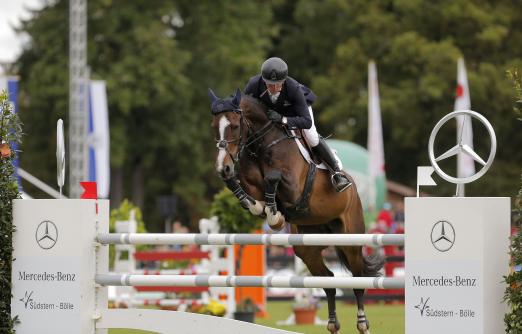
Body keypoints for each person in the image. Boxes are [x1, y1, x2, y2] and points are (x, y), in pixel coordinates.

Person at [243, 57, 351, 192]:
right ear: (263, 80)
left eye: (278, 84)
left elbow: (306, 121)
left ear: (284, 81)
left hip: (296, 111)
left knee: (311, 137)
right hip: (271, 113)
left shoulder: (293, 88)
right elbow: (244, 108)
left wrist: (283, 120)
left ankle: (336, 172)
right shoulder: (254, 84)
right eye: (270, 84)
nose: (274, 88)